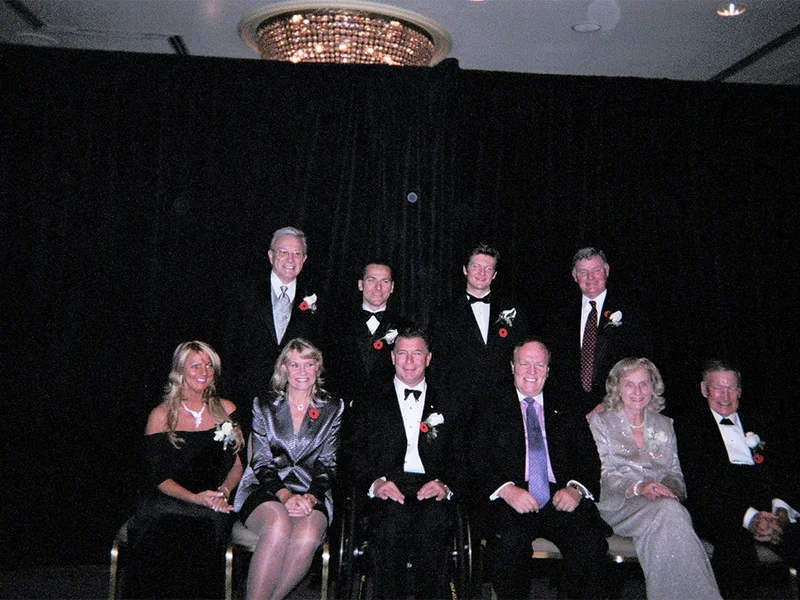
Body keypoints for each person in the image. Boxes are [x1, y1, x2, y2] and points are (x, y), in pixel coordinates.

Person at [472, 338, 611, 599]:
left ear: (548, 369)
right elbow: (476, 458)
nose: (531, 372)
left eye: (539, 364)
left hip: (560, 494)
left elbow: (588, 457)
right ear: (512, 366)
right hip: (512, 497)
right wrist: (506, 490)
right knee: (508, 543)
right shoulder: (489, 405)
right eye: (524, 363)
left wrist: (576, 489)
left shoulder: (567, 404)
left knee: (589, 544)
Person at [589, 358, 721, 599]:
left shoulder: (665, 424)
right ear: (617, 388)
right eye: (629, 384)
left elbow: (676, 475)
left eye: (644, 384)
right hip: (617, 504)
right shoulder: (602, 422)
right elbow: (603, 475)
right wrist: (640, 487)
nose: (638, 392)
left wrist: (667, 488)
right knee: (671, 513)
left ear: (653, 387)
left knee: (669, 511)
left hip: (660, 505)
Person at [126, 341, 245, 599]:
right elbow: (157, 477)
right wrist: (195, 498)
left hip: (212, 499)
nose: (203, 371)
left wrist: (223, 491)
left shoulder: (227, 409)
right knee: (168, 529)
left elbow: (237, 465)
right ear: (179, 371)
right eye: (195, 365)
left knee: (209, 526)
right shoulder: (160, 415)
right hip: (167, 498)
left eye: (208, 365)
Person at [675, 360, 799, 599]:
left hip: (770, 510)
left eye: (732, 388)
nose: (725, 396)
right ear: (704, 390)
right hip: (721, 511)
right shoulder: (689, 426)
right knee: (736, 551)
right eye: (718, 388)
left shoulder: (762, 420)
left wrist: (781, 514)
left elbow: (784, 471)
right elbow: (701, 485)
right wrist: (750, 519)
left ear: (740, 391)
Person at [351, 327, 459, 599]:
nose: (409, 361)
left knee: (434, 526)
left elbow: (463, 454)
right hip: (389, 486)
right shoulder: (369, 398)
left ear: (429, 358)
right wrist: (375, 484)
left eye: (417, 354)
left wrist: (445, 485)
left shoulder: (450, 399)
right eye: (402, 353)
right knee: (389, 527)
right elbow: (352, 452)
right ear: (392, 357)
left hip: (430, 487)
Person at [233, 338, 343, 600]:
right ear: (283, 368)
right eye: (295, 365)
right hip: (264, 487)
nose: (302, 372)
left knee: (308, 535)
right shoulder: (264, 405)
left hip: (311, 492)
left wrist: (311, 497)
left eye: (309, 364)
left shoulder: (332, 407)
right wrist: (285, 496)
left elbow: (328, 464)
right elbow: (260, 461)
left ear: (318, 368)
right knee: (278, 523)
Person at [224, 226, 322, 426]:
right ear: (270, 255)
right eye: (283, 252)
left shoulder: (318, 298)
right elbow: (229, 345)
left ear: (304, 259)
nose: (290, 259)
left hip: (296, 400)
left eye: (297, 253)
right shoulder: (244, 292)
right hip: (247, 397)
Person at [545, 247, 653, 420]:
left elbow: (641, 364)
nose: (590, 277)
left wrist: (608, 403)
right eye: (583, 272)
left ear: (606, 271)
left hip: (617, 409)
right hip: (572, 414)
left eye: (596, 270)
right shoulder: (560, 316)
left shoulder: (632, 313)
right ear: (574, 276)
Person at [430, 243, 529, 423]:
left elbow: (522, 358)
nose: (482, 273)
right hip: (459, 409)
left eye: (488, 268)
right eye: (476, 266)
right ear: (465, 270)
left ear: (495, 274)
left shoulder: (512, 310)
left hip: (503, 408)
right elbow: (438, 365)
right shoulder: (444, 313)